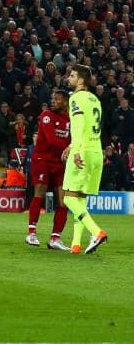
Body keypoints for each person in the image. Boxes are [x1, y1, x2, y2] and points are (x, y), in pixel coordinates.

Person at [62, 65, 108, 254]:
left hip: (83, 152)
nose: (68, 78)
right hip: (96, 152)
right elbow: (91, 126)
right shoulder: (95, 99)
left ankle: (96, 232)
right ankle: (76, 244)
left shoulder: (76, 98)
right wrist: (72, 145)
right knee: (80, 198)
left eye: (72, 75)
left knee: (68, 198)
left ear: (81, 80)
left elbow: (79, 124)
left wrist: (77, 150)